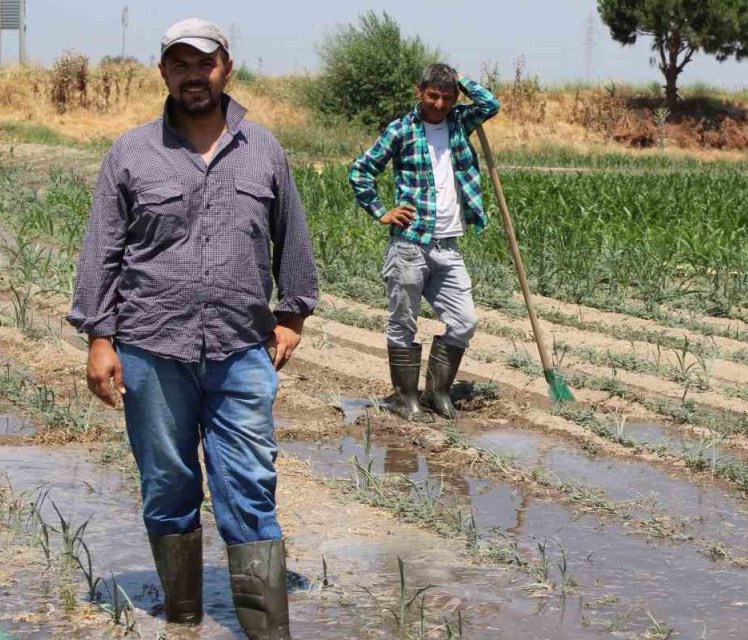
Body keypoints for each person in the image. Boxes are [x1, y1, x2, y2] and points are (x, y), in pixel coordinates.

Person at [67, 18, 318, 639]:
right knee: (167, 484)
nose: (193, 75)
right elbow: (102, 250)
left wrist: (292, 315)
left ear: (226, 67)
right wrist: (99, 338)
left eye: (203, 63)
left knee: (250, 485)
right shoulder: (132, 153)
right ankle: (183, 618)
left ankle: (266, 631)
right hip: (152, 348)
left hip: (241, 349)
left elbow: (292, 235)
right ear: (164, 73)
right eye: (179, 64)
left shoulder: (264, 149)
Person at [348, 63, 500, 421]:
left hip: (448, 245)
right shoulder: (401, 130)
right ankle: (405, 398)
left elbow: (490, 103)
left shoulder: (459, 122)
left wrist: (459, 78)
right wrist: (381, 211)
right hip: (409, 245)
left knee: (464, 321)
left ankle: (437, 392)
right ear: (420, 92)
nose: (439, 104)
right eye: (433, 95)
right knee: (403, 322)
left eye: (447, 97)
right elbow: (361, 171)